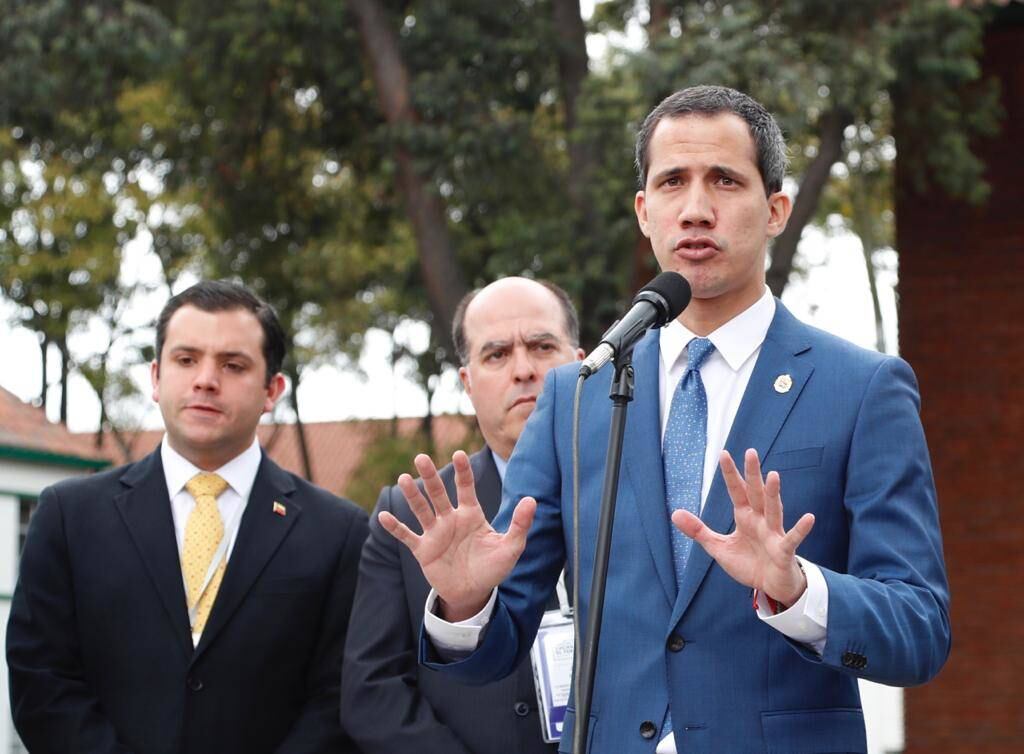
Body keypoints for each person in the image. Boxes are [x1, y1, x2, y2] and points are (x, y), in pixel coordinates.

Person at [380, 85, 951, 754]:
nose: (697, 208)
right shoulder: (578, 396)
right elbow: (492, 650)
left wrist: (799, 592)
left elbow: (919, 631)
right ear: (645, 212)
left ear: (775, 210)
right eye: (673, 182)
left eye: (725, 181)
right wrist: (463, 606)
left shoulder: (862, 389)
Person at [7, 280, 369, 754]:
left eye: (233, 365)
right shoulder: (69, 517)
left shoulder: (339, 533)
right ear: (156, 378)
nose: (205, 379)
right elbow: (42, 681)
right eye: (186, 359)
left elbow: (338, 697)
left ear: (271, 389)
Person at [341, 277, 584, 753]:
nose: (523, 370)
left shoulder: (635, 486)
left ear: (581, 364)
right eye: (496, 355)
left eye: (542, 346)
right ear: (467, 382)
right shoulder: (411, 514)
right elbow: (372, 692)